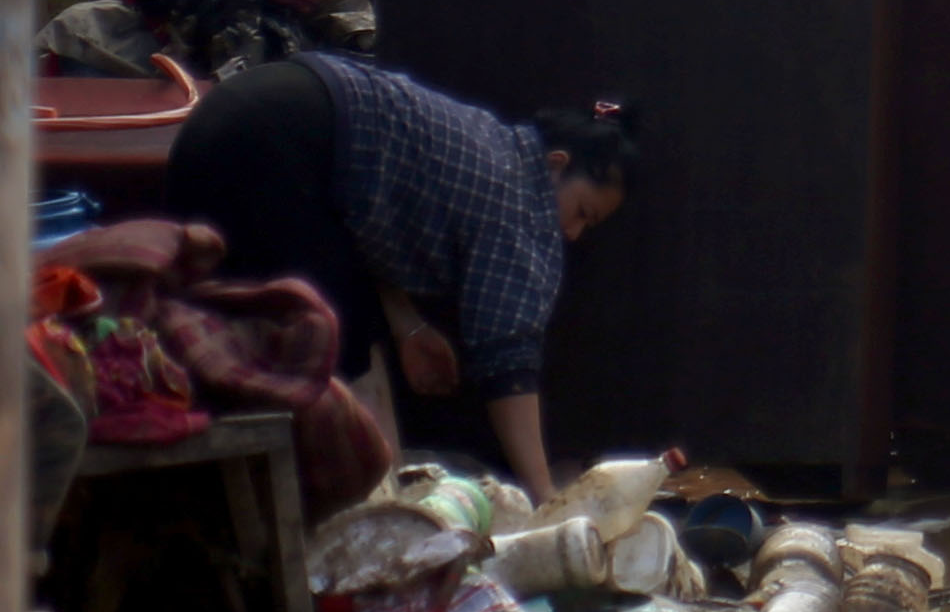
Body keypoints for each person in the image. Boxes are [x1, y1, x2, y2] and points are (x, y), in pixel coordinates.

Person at [161, 55, 636, 504]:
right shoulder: (520, 203)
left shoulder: (496, 146)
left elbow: (360, 231)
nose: (571, 234)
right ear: (555, 165)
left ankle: (370, 500)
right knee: (330, 343)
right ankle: (373, 513)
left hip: (233, 116)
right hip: (274, 142)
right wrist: (542, 495)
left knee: (322, 328)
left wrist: (407, 327)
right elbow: (508, 362)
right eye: (581, 214)